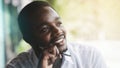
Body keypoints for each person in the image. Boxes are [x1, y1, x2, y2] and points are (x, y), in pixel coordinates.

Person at [6, 1, 106, 68]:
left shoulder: (90, 57)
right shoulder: (17, 66)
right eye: (45, 29)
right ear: (29, 39)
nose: (58, 31)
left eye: (59, 23)